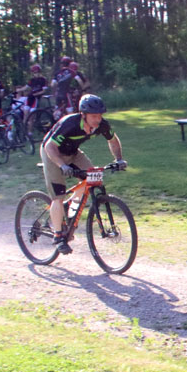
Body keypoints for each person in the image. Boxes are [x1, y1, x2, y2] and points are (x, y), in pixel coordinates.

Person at [40, 94, 127, 255]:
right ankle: (58, 236)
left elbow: (113, 140)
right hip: (52, 154)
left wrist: (119, 159)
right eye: (94, 116)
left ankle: (68, 205)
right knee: (57, 196)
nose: (97, 119)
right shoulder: (70, 124)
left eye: (100, 115)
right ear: (83, 114)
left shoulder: (102, 125)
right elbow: (50, 147)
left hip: (73, 152)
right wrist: (62, 165)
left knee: (94, 178)